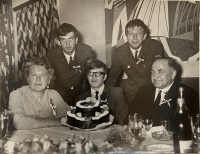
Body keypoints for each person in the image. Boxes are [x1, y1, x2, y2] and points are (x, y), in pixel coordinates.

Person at [106, 19, 165, 109]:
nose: (135, 37)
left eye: (139, 33)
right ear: (126, 36)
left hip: (152, 90)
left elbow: (160, 71)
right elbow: (112, 77)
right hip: (131, 93)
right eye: (131, 33)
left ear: (144, 36)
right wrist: (105, 97)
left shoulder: (154, 46)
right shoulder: (119, 52)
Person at [131, 57, 199, 126]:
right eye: (152, 72)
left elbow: (191, 126)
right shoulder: (143, 91)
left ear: (173, 74)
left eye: (160, 72)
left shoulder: (187, 94)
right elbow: (131, 117)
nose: (155, 76)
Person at [9, 57, 71, 130]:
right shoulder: (16, 95)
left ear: (49, 80)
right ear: (27, 78)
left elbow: (69, 118)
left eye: (42, 75)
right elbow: (19, 123)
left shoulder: (54, 94)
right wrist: (54, 120)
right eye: (34, 75)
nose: (38, 79)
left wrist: (34, 120)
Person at [47, 23, 96, 106]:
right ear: (58, 42)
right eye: (63, 39)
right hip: (61, 97)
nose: (68, 43)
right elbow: (49, 79)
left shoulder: (86, 51)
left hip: (82, 95)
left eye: (71, 39)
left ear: (76, 40)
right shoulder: (52, 55)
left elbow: (92, 75)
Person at [76, 59, 129, 125]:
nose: (93, 77)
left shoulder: (117, 93)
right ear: (87, 76)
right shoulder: (81, 98)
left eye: (98, 73)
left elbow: (122, 122)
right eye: (90, 73)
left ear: (104, 77)